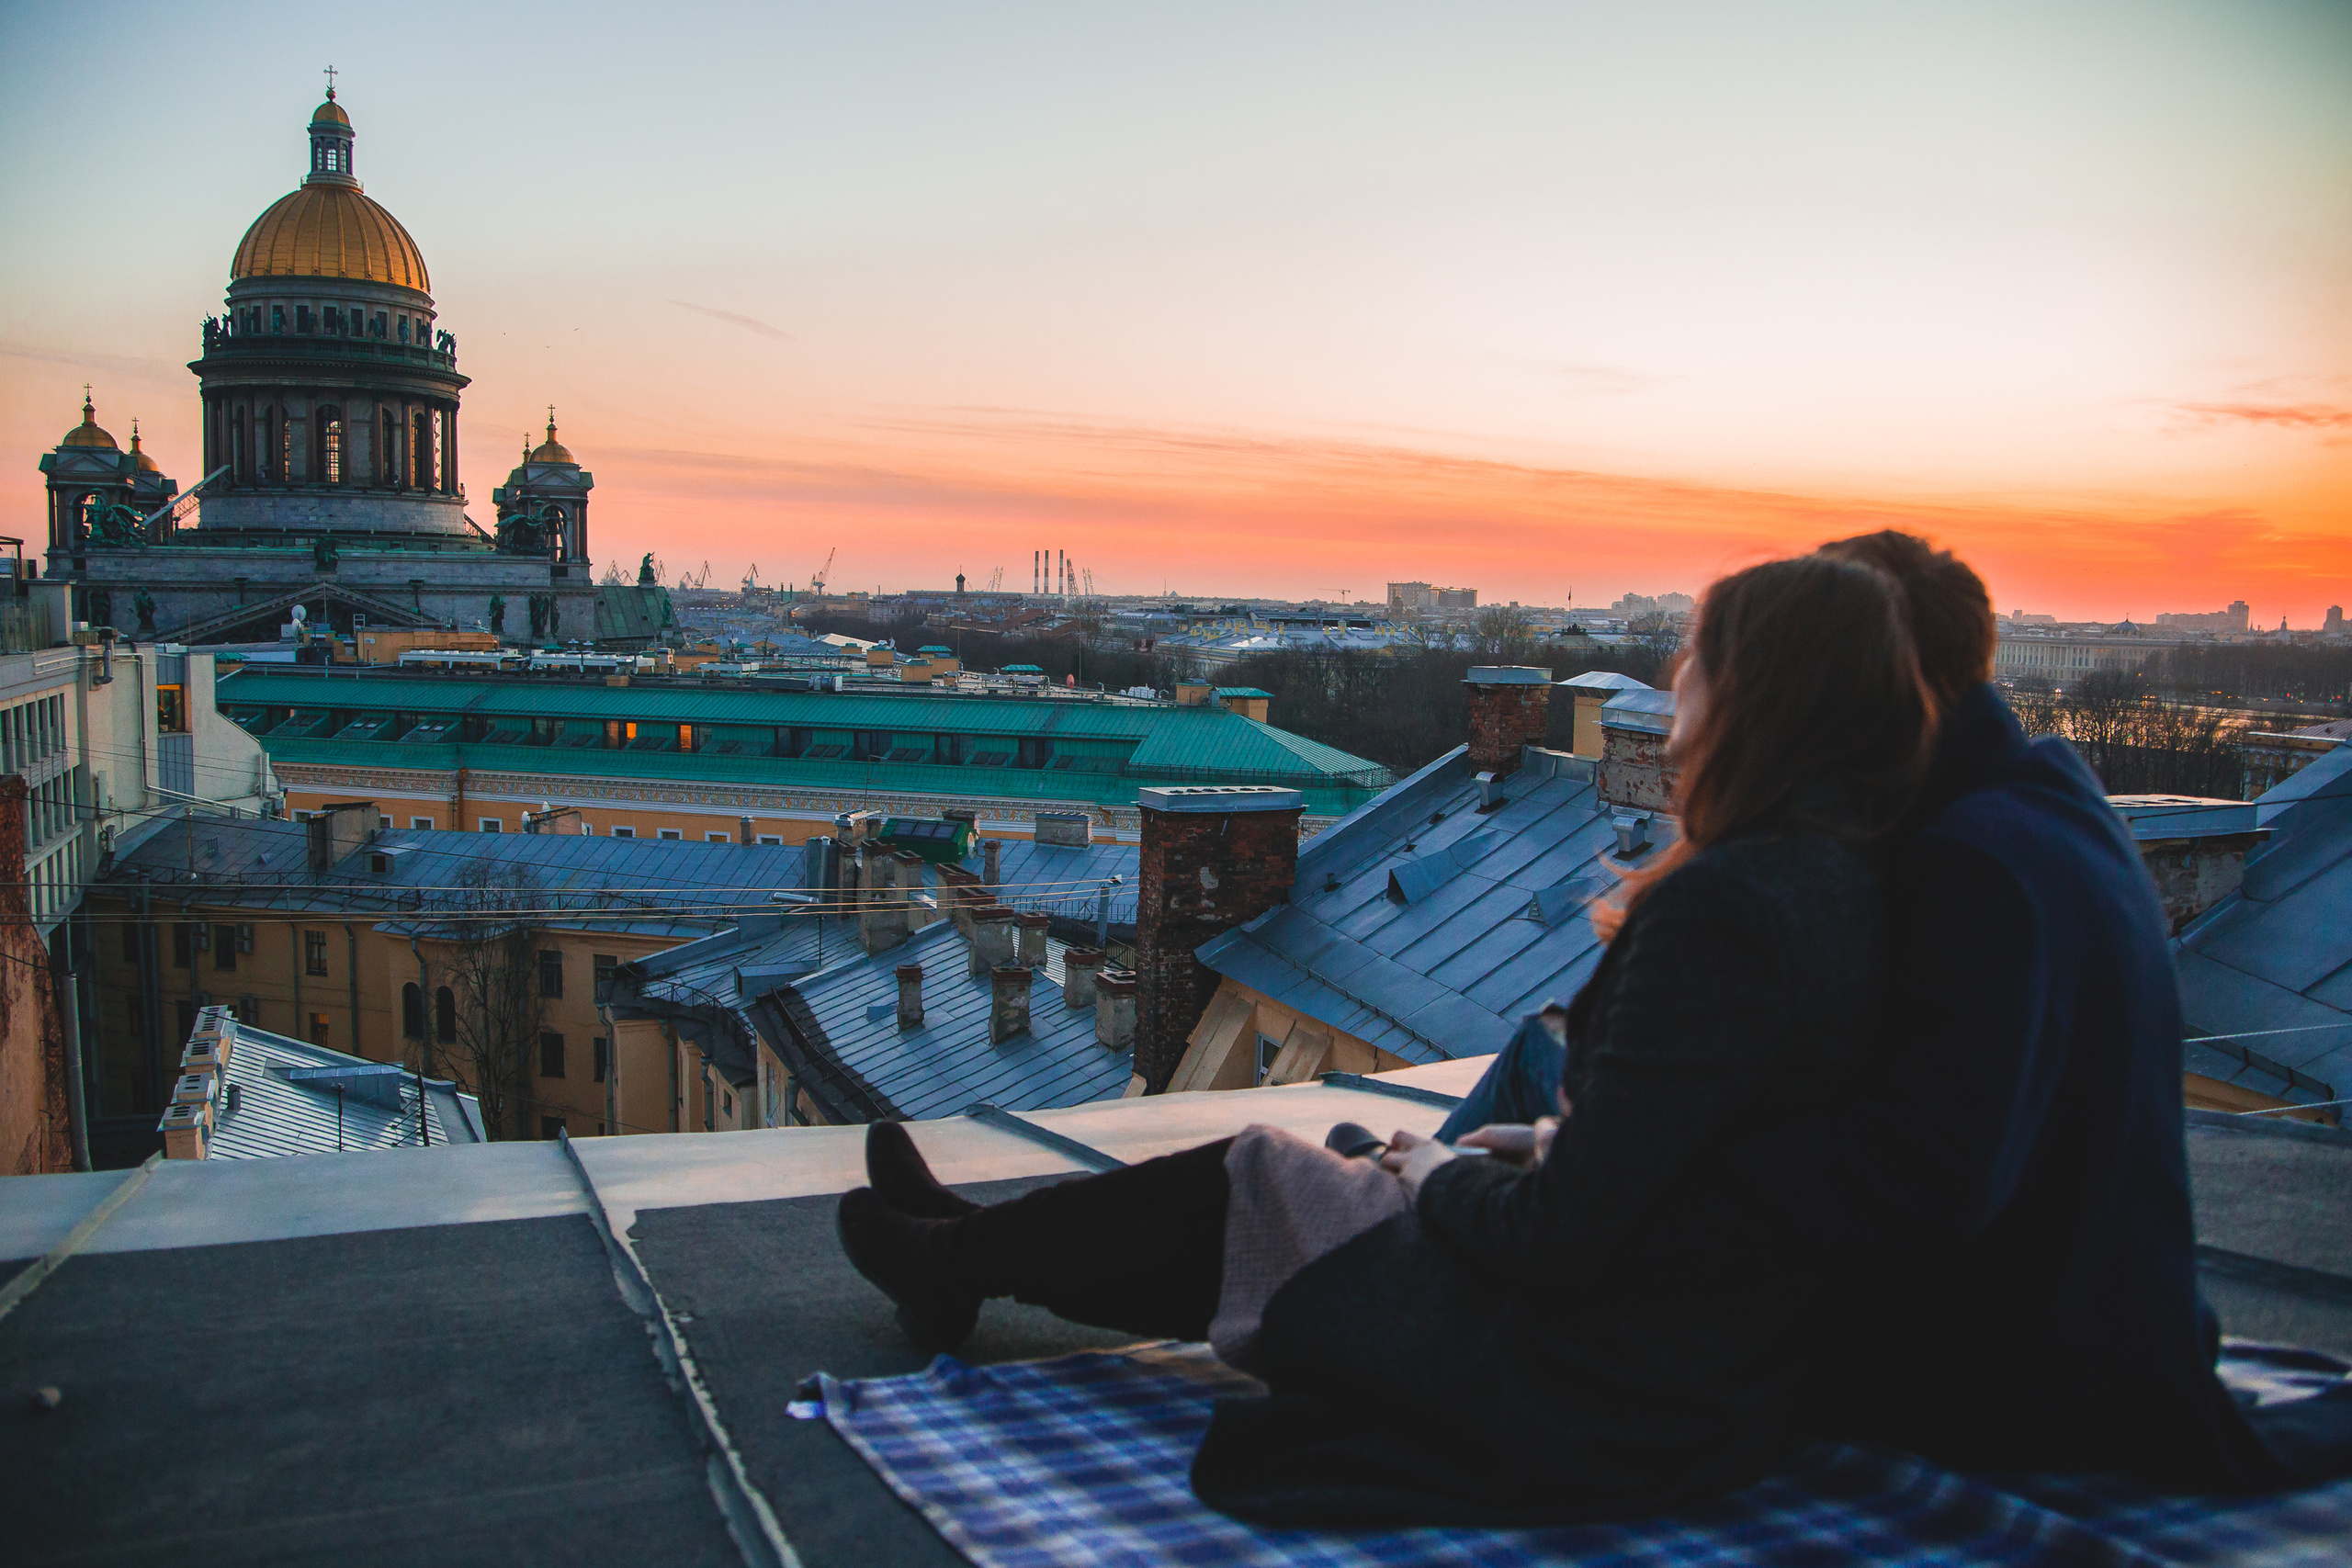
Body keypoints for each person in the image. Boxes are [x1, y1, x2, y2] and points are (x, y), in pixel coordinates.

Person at [836, 554, 1937, 1525]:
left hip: (1589, 1378)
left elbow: (1565, 1236)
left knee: (1268, 1175)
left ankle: (953, 1262)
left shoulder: (1725, 909)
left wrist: (1445, 1175)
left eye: (1697, 661)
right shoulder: (1838, 882)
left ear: (1752, 698)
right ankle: (964, 1246)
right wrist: (1533, 1151)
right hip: (1688, 1370)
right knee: (1319, 1174)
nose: (1676, 683)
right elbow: (1713, 1162)